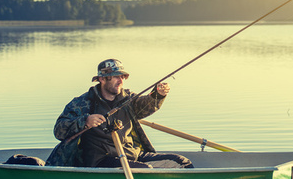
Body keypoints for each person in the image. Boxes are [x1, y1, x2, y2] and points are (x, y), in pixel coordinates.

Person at [51, 59, 193, 169]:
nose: (121, 81)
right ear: (102, 79)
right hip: (100, 160)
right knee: (143, 170)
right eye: (115, 77)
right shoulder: (82, 102)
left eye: (123, 77)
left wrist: (158, 95)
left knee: (182, 163)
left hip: (133, 154)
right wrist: (85, 121)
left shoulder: (128, 98)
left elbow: (144, 105)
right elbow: (59, 130)